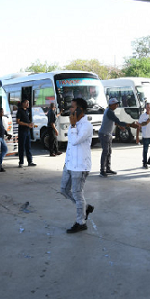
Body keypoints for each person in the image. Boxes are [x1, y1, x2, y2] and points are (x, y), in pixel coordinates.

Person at [60, 98, 95, 234]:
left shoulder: (86, 126)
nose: (70, 110)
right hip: (69, 164)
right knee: (63, 190)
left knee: (77, 194)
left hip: (80, 166)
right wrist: (66, 161)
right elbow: (70, 145)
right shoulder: (72, 125)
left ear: (81, 110)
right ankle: (85, 207)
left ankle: (81, 222)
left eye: (73, 107)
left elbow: (74, 141)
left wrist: (74, 126)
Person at [98, 98, 130, 177]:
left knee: (109, 152)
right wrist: (129, 124)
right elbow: (117, 120)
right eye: (115, 104)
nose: (117, 105)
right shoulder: (109, 112)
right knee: (105, 152)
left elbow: (115, 122)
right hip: (104, 134)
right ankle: (102, 170)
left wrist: (119, 126)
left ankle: (108, 168)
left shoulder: (110, 111)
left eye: (117, 104)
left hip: (108, 134)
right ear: (111, 104)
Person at [16, 100, 37, 167]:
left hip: (27, 131)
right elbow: (18, 121)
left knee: (28, 146)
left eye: (28, 102)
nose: (28, 104)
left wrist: (30, 124)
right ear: (23, 103)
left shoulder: (27, 111)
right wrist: (26, 124)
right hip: (22, 131)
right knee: (21, 146)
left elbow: (27, 120)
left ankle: (30, 161)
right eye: (26, 103)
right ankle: (21, 162)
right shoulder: (20, 111)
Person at [136, 102, 150, 169]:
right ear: (145, 108)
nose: (148, 109)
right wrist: (137, 137)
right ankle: (144, 163)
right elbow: (138, 126)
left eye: (149, 107)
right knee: (145, 150)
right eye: (146, 107)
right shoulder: (142, 116)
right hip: (145, 136)